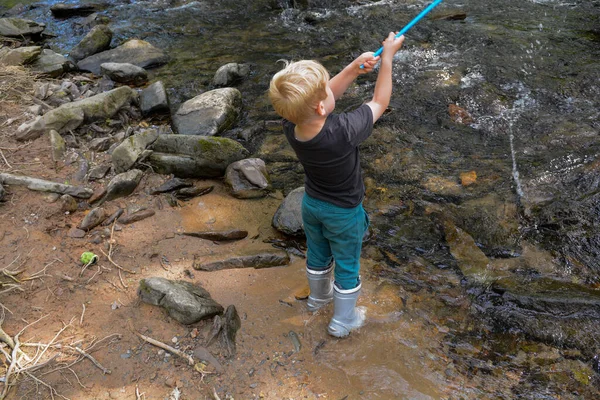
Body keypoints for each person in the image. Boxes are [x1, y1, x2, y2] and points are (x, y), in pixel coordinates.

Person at [268, 32, 405, 337]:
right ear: (320, 107)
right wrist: (388, 59)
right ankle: (343, 320)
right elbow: (380, 101)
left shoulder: (291, 124)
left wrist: (353, 70)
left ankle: (318, 299)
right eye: (326, 90)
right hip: (343, 213)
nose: (332, 91)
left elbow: (320, 99)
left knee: (317, 252)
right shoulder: (343, 131)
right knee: (347, 263)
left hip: (312, 205)